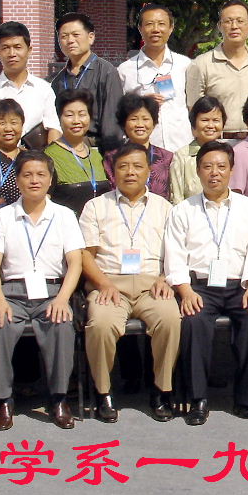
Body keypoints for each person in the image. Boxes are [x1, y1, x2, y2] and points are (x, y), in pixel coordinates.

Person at [165, 140, 248, 423]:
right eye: (208, 166)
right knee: (193, 321)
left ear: (231, 170)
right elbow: (175, 256)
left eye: (221, 166)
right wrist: (185, 291)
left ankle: (247, 398)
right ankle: (198, 399)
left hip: (240, 286)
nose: (215, 172)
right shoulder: (182, 210)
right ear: (198, 170)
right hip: (199, 287)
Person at [0, 150, 85, 430]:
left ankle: (58, 398)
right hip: (12, 293)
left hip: (52, 293)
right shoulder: (2, 217)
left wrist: (63, 299)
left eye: (41, 174)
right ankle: (3, 400)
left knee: (61, 325)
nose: (34, 180)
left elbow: (75, 263)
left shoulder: (64, 216)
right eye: (27, 175)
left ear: (51, 179)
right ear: (17, 180)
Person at [78, 143, 179, 423]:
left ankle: (162, 389)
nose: (130, 172)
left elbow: (176, 251)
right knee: (100, 324)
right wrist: (103, 284)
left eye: (137, 166)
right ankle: (104, 392)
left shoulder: (164, 208)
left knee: (170, 319)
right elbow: (86, 254)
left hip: (152, 285)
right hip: (109, 285)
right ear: (113, 172)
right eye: (123, 167)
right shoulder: (96, 206)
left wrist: (165, 278)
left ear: (148, 171)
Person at [0, 22, 61, 150]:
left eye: (18, 47)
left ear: (29, 50)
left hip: (38, 158)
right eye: (5, 48)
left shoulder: (44, 89)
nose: (12, 53)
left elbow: (54, 129)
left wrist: (45, 158)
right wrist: (12, 156)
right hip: (0, 159)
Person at [117, 3, 193, 153]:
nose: (156, 29)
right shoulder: (125, 70)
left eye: (161, 24)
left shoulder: (185, 65)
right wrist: (142, 102)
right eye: (149, 24)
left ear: (171, 28)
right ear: (140, 28)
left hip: (182, 149)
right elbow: (119, 112)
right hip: (144, 151)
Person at [186, 0, 248, 138]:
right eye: (228, 21)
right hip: (217, 141)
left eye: (240, 21)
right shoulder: (201, 64)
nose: (234, 26)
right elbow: (194, 109)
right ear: (220, 26)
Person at [51, 12, 126, 152]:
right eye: (64, 36)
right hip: (64, 148)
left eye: (75, 35)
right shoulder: (58, 80)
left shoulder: (106, 72)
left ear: (91, 37)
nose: (70, 40)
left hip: (95, 148)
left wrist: (109, 157)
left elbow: (112, 123)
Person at [45, 89, 114, 214]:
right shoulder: (48, 157)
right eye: (69, 115)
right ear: (59, 118)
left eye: (82, 114)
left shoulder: (98, 155)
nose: (76, 121)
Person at [104, 92, 173, 199]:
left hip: (160, 209)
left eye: (145, 119)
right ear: (124, 123)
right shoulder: (113, 157)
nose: (140, 124)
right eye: (134, 119)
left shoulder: (167, 157)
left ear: (154, 123)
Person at [169, 96, 228, 203]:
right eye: (205, 120)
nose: (211, 125)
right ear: (194, 124)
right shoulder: (182, 156)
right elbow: (177, 198)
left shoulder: (228, 154)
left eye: (216, 120)